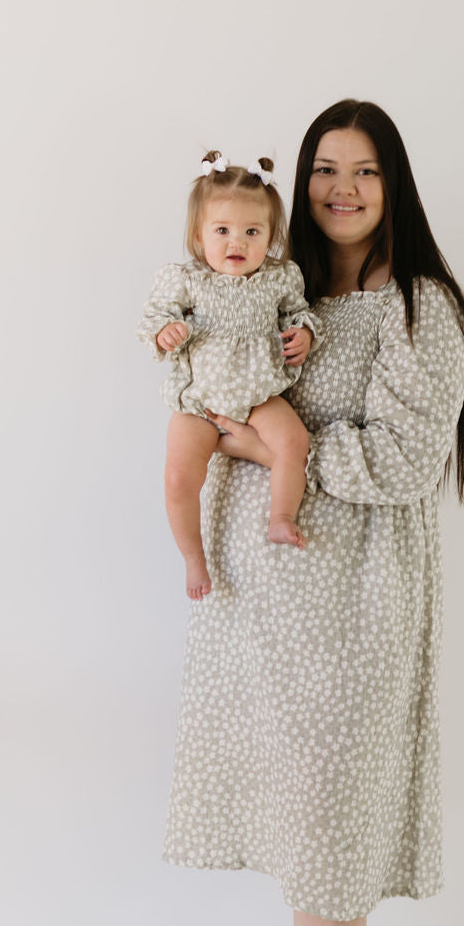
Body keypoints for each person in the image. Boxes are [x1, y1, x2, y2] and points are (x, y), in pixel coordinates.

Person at [161, 100, 464, 926]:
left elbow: (399, 462)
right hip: (268, 601)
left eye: (365, 171)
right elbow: (204, 378)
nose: (341, 189)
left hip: (355, 601)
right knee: (307, 799)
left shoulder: (418, 306)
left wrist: (258, 458)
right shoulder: (280, 289)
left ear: (395, 185)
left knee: (332, 812)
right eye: (324, 171)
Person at [137, 152, 321, 599]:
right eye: (222, 230)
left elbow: (300, 313)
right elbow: (152, 319)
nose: (236, 242)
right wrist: (166, 333)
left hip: (261, 392)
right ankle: (193, 559)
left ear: (270, 237)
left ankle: (281, 517)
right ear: (199, 237)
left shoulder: (278, 278)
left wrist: (304, 335)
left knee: (295, 443)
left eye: (252, 232)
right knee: (179, 476)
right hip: (200, 400)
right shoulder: (186, 280)